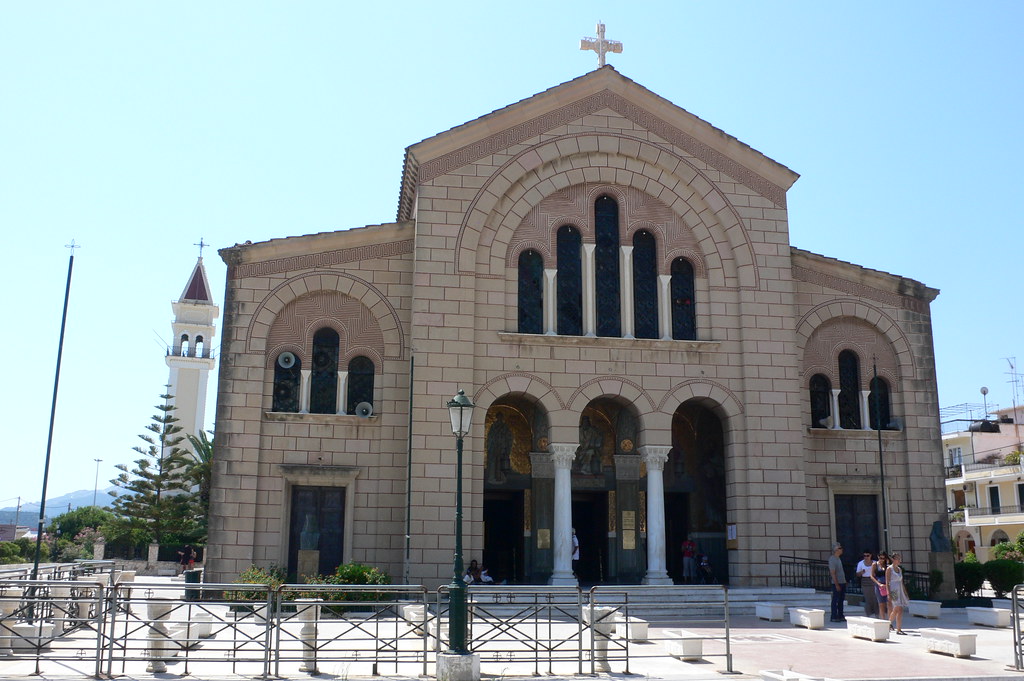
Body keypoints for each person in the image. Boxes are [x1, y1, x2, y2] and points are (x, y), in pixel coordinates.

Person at [886, 552, 910, 634]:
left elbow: (901, 582)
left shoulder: (899, 569)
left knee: (900, 610)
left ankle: (898, 629)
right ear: (893, 559)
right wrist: (888, 593)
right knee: (897, 608)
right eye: (897, 558)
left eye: (900, 558)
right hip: (893, 590)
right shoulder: (889, 569)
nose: (899, 560)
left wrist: (905, 592)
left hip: (899, 590)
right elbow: (887, 582)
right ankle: (888, 623)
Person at [855, 549, 878, 617]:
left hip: (873, 580)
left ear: (870, 555)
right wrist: (862, 572)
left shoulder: (875, 563)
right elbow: (857, 574)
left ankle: (877, 613)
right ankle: (868, 614)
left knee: (875, 598)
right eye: (864, 556)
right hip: (865, 581)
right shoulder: (861, 563)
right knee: (867, 598)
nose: (866, 557)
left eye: (867, 555)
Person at [828, 543, 846, 622]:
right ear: (836, 550)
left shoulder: (838, 559)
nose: (842, 549)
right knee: (835, 600)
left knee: (841, 600)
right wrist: (836, 584)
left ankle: (840, 615)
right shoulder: (832, 559)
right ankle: (834, 616)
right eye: (840, 548)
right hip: (837, 583)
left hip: (842, 582)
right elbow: (833, 572)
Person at [872, 552, 890, 621]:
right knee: (881, 604)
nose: (881, 560)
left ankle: (889, 620)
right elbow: (871, 576)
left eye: (883, 558)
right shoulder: (875, 565)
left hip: (887, 585)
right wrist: (878, 583)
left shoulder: (887, 566)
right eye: (880, 558)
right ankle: (883, 620)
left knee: (889, 603)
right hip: (879, 585)